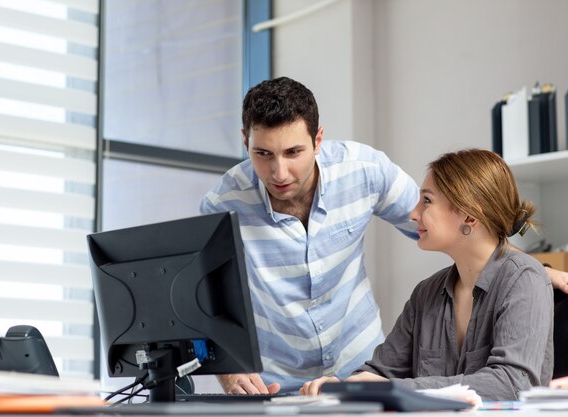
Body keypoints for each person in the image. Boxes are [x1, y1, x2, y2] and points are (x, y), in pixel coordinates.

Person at [199, 76, 568, 394]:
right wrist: (230, 371)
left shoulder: (364, 171)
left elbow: (461, 232)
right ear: (244, 141)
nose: (279, 171)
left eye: (293, 152)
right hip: (279, 381)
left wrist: (527, 269)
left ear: (318, 139)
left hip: (356, 366)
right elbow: (204, 305)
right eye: (262, 153)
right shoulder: (221, 204)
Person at [300, 149, 554, 400]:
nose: (413, 214)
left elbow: (512, 384)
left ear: (469, 215)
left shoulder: (524, 280)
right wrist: (342, 387)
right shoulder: (426, 294)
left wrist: (398, 387)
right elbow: (379, 373)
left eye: (427, 201)